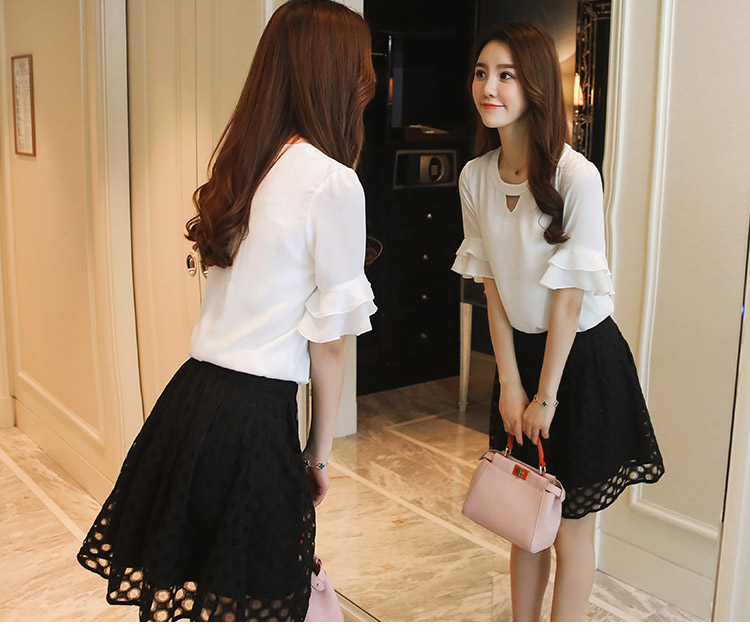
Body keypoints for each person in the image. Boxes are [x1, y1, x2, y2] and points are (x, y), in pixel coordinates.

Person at [76, 0, 376, 622]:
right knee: (260, 599)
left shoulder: (244, 164)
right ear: (341, 76)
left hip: (190, 403)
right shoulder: (331, 182)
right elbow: (331, 343)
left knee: (207, 589)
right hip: (253, 422)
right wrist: (317, 455)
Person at [452, 22, 664, 622]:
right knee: (525, 520)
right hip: (522, 356)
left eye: (506, 75)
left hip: (582, 360)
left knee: (570, 527)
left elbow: (569, 299)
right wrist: (510, 384)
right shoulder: (474, 177)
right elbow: (492, 287)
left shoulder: (576, 176)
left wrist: (545, 395)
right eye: (481, 73)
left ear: (536, 85)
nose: (488, 87)